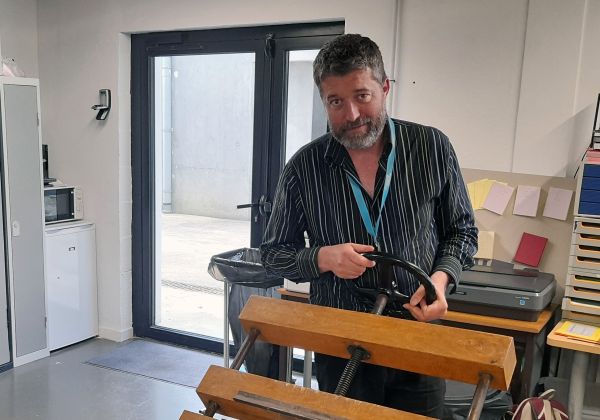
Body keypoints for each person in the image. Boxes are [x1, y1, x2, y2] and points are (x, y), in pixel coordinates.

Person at [260, 33, 478, 418]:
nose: (352, 115)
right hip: (340, 345)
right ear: (324, 101)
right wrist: (322, 258)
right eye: (336, 102)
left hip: (416, 338)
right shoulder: (303, 168)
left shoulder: (431, 148)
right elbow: (274, 256)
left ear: (385, 88)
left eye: (362, 96)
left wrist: (441, 281)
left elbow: (461, 231)